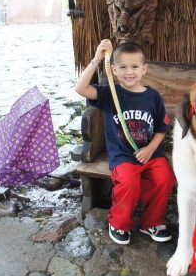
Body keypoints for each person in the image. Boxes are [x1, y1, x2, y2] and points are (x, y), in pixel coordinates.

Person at [75, 39, 175, 245]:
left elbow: (161, 129)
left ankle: (152, 223)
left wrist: (151, 149)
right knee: (128, 182)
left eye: (135, 67)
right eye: (123, 67)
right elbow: (80, 88)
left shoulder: (153, 96)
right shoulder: (110, 93)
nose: (129, 72)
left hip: (150, 152)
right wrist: (96, 60)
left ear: (144, 69)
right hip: (123, 155)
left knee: (164, 178)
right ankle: (119, 223)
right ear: (113, 70)